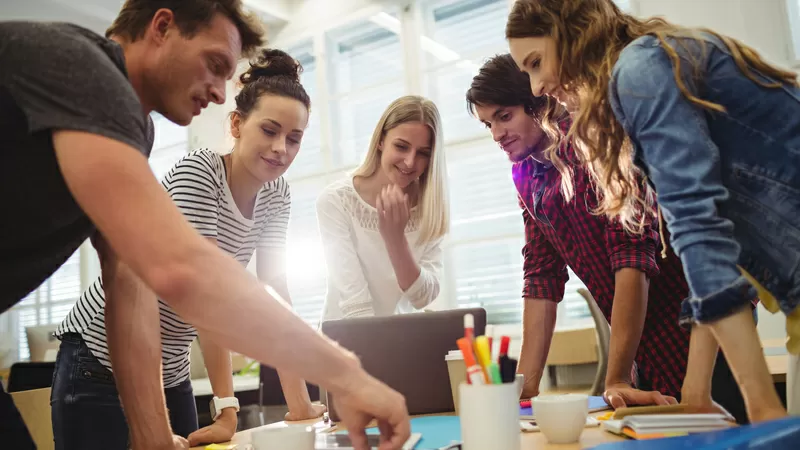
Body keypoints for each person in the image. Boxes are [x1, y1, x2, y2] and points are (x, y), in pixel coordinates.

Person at [0, 1, 410, 449]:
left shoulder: (133, 127)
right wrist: (346, 375)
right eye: (213, 66)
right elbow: (185, 272)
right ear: (162, 26)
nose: (218, 92)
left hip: (166, 367)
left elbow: (129, 279)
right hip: (92, 364)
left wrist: (152, 435)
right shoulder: (85, 70)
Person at [505, 0, 800, 422]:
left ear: (569, 31)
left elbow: (701, 235)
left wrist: (760, 405)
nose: (536, 87)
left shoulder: (640, 72)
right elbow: (716, 250)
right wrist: (695, 391)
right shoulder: (646, 69)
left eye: (536, 63)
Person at [51, 49, 327, 449]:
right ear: (236, 123)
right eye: (269, 130)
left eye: (294, 138)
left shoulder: (278, 195)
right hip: (99, 362)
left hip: (170, 372)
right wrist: (227, 408)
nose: (281, 147)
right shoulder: (202, 172)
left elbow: (276, 296)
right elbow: (204, 293)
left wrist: (300, 403)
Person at [466, 53, 745, 421]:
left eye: (505, 116)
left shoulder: (594, 144)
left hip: (703, 332)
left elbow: (632, 258)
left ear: (538, 101)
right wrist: (527, 391)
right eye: (488, 124)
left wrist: (613, 376)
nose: (498, 134)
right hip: (643, 351)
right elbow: (541, 277)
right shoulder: (526, 177)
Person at [317, 95, 449, 320]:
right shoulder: (336, 201)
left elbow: (423, 297)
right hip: (344, 343)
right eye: (401, 146)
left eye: (423, 153)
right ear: (380, 141)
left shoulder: (430, 210)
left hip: (395, 342)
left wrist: (395, 240)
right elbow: (355, 303)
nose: (409, 161)